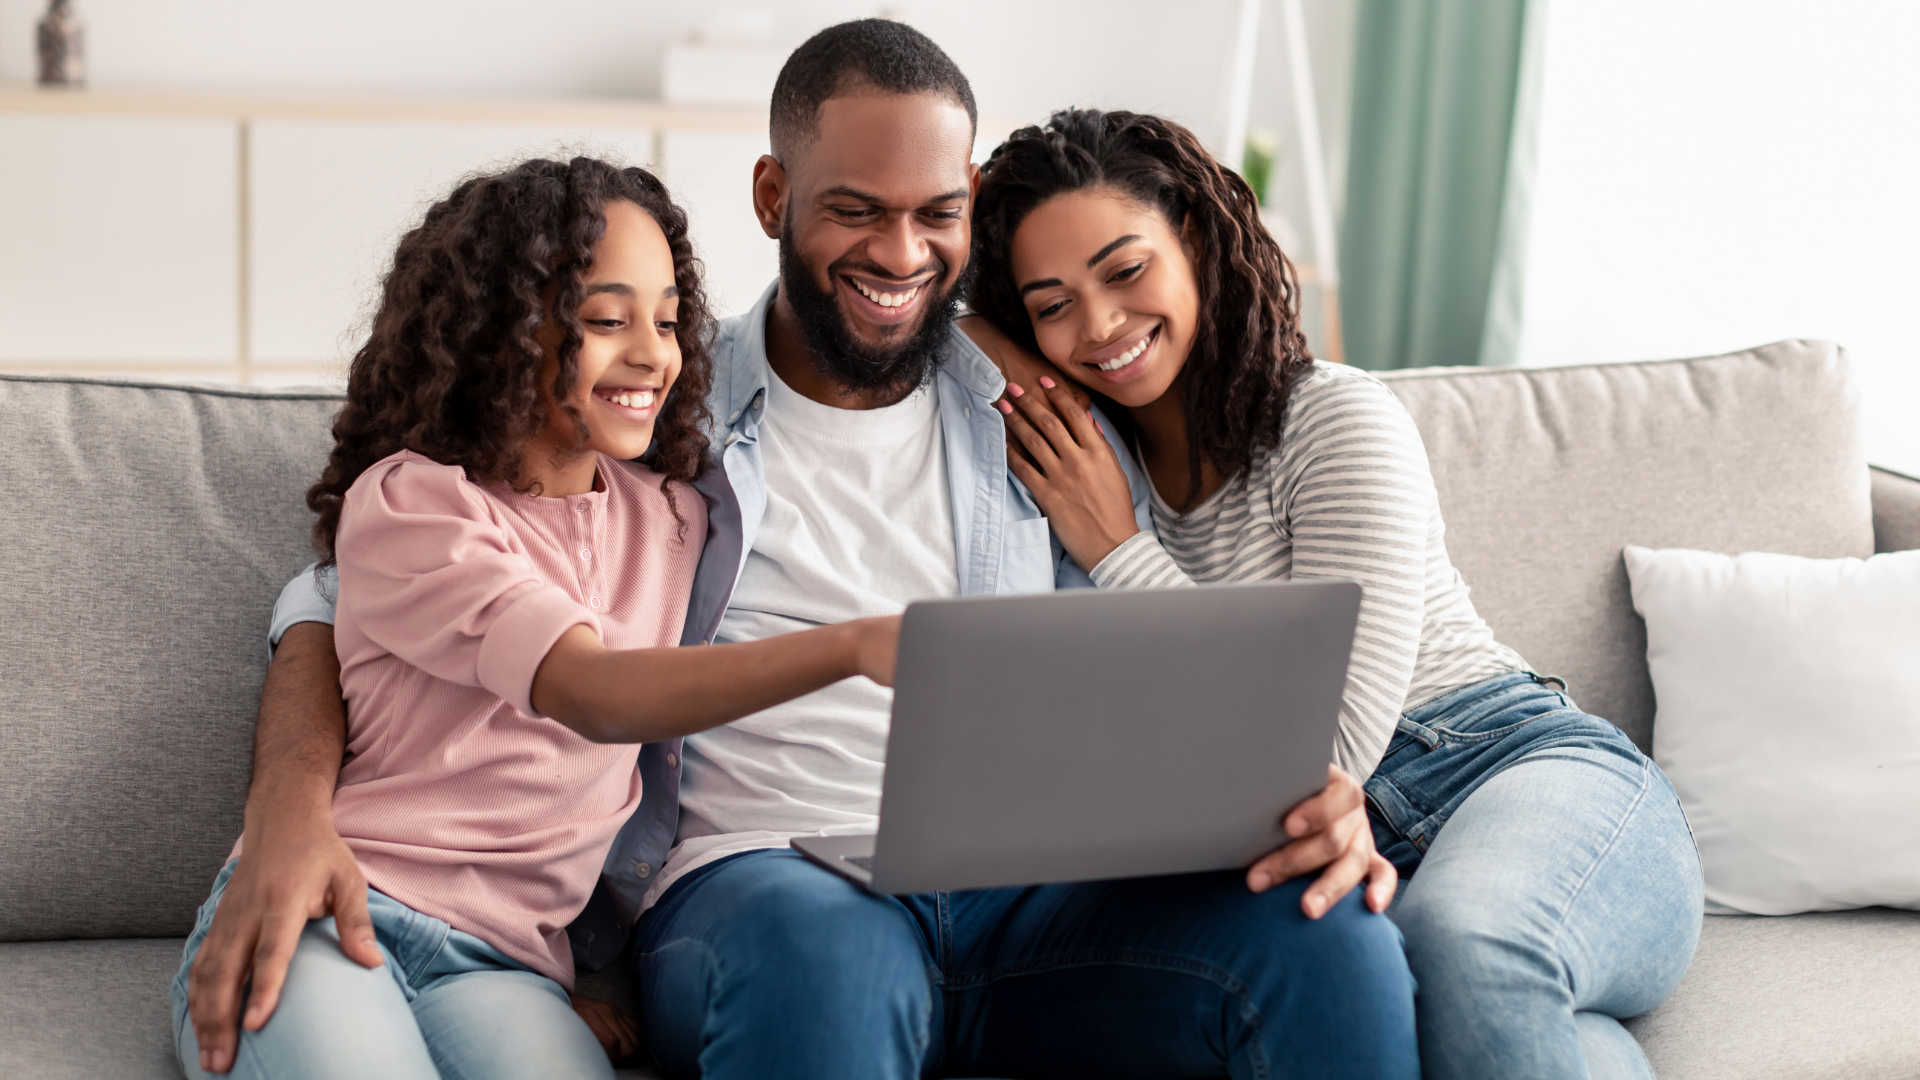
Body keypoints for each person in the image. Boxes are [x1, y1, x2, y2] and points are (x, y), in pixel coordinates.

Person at [187, 22, 1418, 1080]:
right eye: (854, 211)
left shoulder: (1048, 408)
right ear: (775, 197)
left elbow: (1170, 663)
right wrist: (291, 807)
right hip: (758, 881)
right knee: (828, 952)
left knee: (1330, 934)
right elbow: (341, 591)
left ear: (973, 203)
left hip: (1017, 889)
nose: (898, 254)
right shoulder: (656, 408)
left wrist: (1302, 805)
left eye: (937, 214)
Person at [962, 106, 1706, 1080]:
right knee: (1477, 1027)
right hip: (1338, 858)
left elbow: (1320, 753)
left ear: (1195, 237)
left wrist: (1120, 550)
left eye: (1126, 269)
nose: (1098, 325)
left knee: (1467, 949)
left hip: (1501, 764)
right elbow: (899, 320)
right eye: (1051, 302)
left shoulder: (1330, 419)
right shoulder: (1092, 461)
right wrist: (952, 239)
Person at [170, 157, 899, 1079]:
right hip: (343, 903)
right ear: (498, 333)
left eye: (669, 320)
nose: (652, 354)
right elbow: (594, 692)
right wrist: (854, 647)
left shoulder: (677, 518)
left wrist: (594, 969)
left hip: (510, 966)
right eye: (604, 320)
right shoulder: (413, 505)